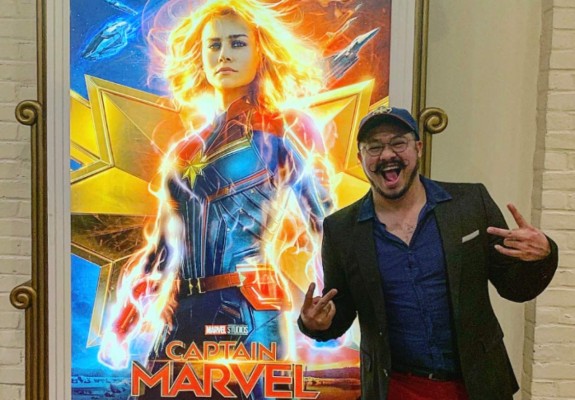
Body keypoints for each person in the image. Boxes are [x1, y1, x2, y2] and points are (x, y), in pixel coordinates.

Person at [97, 0, 332, 397]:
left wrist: (327, 302)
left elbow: (325, 221)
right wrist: (124, 323)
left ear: (260, 52)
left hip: (249, 312)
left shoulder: (281, 132)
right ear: (201, 56)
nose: (224, 55)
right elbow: (161, 251)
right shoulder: (183, 151)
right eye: (214, 45)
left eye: (237, 43)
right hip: (182, 313)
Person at [298, 106, 558, 400]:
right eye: (374, 147)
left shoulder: (470, 204)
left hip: (478, 384)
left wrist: (544, 255)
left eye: (398, 143)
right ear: (361, 158)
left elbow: (515, 287)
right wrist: (315, 324)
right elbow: (340, 308)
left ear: (418, 148)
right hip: (396, 387)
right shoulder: (341, 229)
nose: (387, 155)